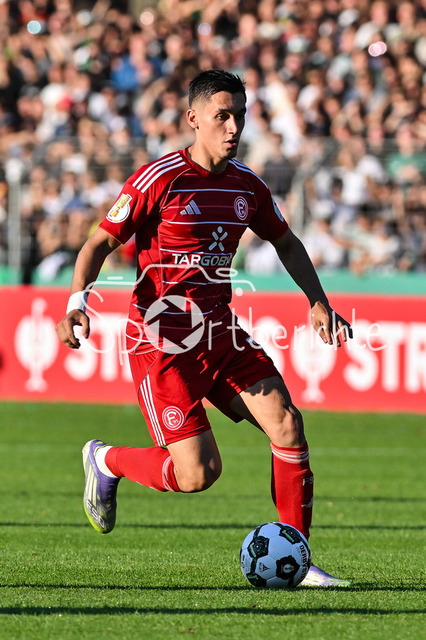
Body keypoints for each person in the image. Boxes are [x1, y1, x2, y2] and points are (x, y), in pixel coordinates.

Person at [56, 70, 353, 587]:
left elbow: (285, 242)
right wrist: (77, 301)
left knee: (287, 424)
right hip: (161, 344)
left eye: (240, 115)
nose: (233, 127)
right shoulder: (159, 179)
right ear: (194, 118)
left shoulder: (247, 185)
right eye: (222, 116)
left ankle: (299, 558)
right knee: (197, 474)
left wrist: (318, 300)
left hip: (220, 333)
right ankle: (107, 459)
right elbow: (99, 243)